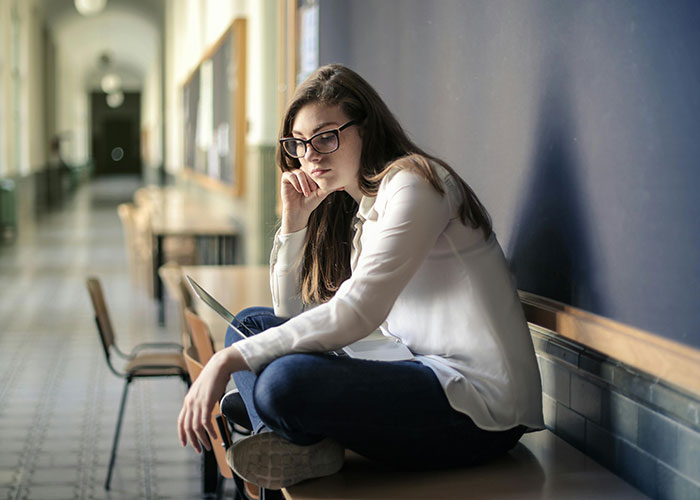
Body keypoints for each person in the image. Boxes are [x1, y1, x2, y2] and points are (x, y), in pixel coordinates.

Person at [178, 64, 544, 491]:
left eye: (327, 136)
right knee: (249, 328)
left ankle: (284, 431)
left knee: (281, 380)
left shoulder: (416, 185)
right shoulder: (364, 211)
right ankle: (290, 439)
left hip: (480, 408)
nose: (310, 155)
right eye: (299, 143)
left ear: (366, 129)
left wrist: (226, 364)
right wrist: (294, 224)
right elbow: (287, 313)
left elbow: (359, 312)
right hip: (417, 370)